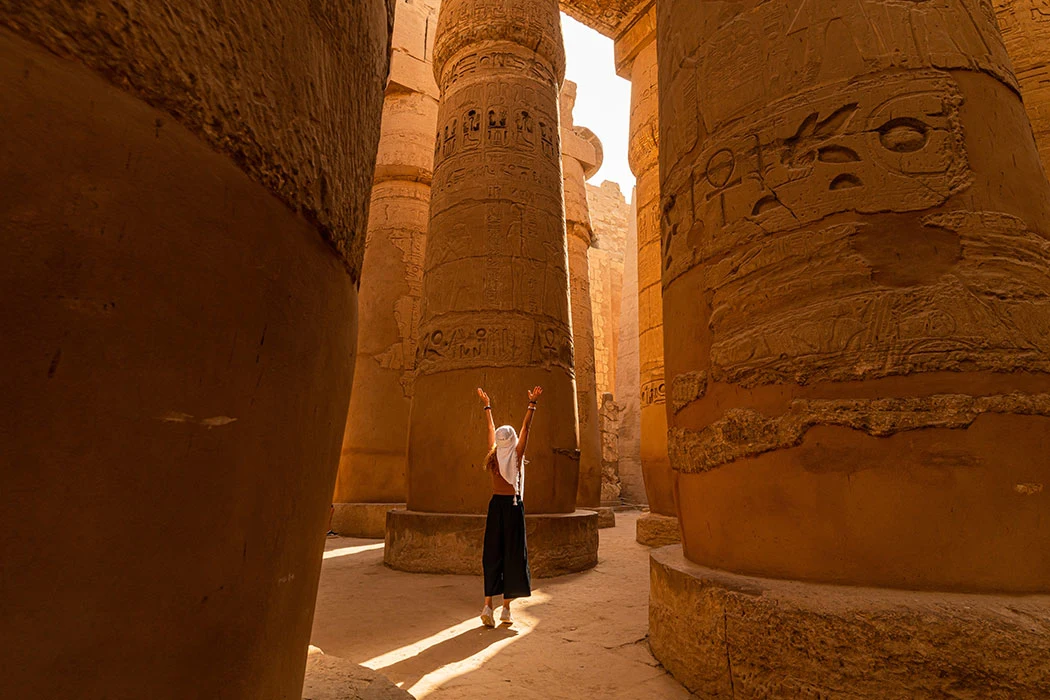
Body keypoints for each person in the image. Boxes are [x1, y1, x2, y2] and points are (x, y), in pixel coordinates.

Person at [476, 385, 541, 628]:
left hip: (495, 506)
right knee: (513, 555)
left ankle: (487, 605)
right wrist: (531, 404)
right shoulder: (515, 455)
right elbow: (526, 428)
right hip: (513, 507)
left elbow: (490, 430)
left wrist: (487, 406)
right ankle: (505, 610)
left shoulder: (493, 456)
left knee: (492, 553)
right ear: (512, 440)